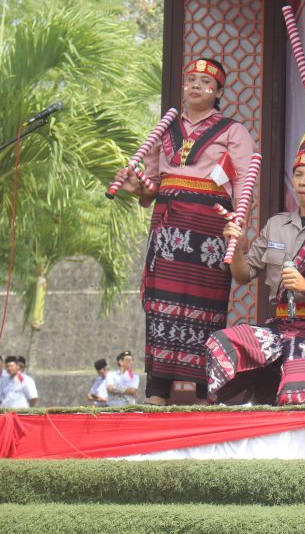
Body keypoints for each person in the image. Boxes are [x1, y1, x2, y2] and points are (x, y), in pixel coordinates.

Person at [115, 58, 255, 405]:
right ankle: (157, 395)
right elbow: (150, 189)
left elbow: (243, 185)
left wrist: (239, 228)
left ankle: (207, 395)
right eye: (191, 79)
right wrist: (135, 186)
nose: (196, 86)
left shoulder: (232, 131)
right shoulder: (165, 128)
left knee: (207, 307)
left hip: (210, 230)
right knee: (161, 306)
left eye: (205, 82)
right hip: (168, 226)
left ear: (219, 92)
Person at [206, 126, 305, 406]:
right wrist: (237, 245)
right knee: (221, 343)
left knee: (297, 394)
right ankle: (259, 390)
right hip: (279, 327)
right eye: (298, 174)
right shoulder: (276, 224)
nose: (302, 181)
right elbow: (242, 275)